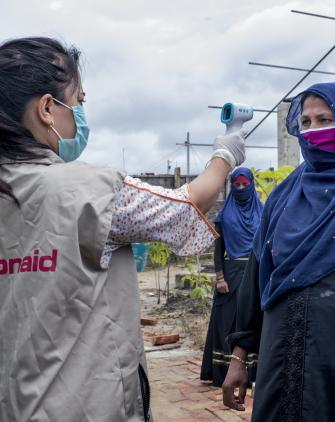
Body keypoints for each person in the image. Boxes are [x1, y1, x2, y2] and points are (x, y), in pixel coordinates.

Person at [0, 37, 246, 422]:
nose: (81, 114)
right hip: (85, 406)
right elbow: (187, 204)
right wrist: (226, 153)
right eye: (78, 101)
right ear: (48, 108)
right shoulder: (91, 192)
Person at [222, 82, 335, 422]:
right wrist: (240, 356)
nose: (313, 131)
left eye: (325, 119)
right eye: (306, 122)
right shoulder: (284, 197)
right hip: (279, 352)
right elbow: (258, 276)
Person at [200, 167, 263, 387]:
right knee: (226, 323)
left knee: (252, 320)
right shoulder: (224, 216)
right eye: (237, 185)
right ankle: (222, 373)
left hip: (255, 274)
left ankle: (253, 374)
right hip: (231, 275)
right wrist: (219, 278)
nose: (241, 188)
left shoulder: (263, 213)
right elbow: (218, 250)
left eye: (245, 184)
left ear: (252, 184)